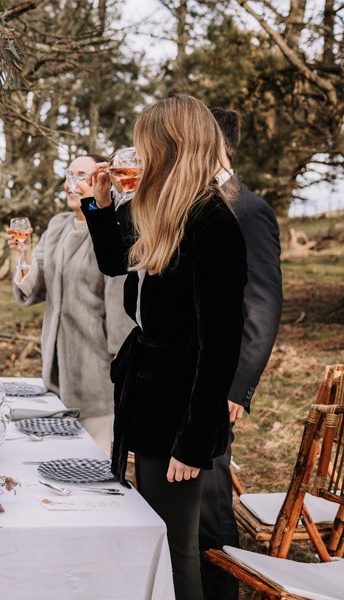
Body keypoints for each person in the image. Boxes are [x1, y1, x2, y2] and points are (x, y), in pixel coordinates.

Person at [82, 95, 247, 600]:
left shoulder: (213, 223)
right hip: (150, 397)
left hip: (180, 411)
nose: (137, 154)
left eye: (145, 144)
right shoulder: (159, 209)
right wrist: (100, 201)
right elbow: (113, 260)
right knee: (154, 539)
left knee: (175, 549)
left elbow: (220, 345)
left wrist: (194, 442)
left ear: (172, 148)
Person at [198, 107, 283, 600]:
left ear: (216, 145)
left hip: (219, 383)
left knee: (211, 507)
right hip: (183, 379)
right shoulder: (195, 206)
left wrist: (237, 388)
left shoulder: (249, 210)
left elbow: (263, 304)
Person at [10, 154, 135, 454]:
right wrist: (24, 254)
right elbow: (35, 288)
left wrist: (121, 375)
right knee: (55, 459)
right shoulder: (57, 225)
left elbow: (120, 314)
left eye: (80, 176)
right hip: (54, 372)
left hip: (95, 377)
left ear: (100, 182)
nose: (70, 184)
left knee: (93, 465)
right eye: (68, 175)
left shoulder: (111, 231)